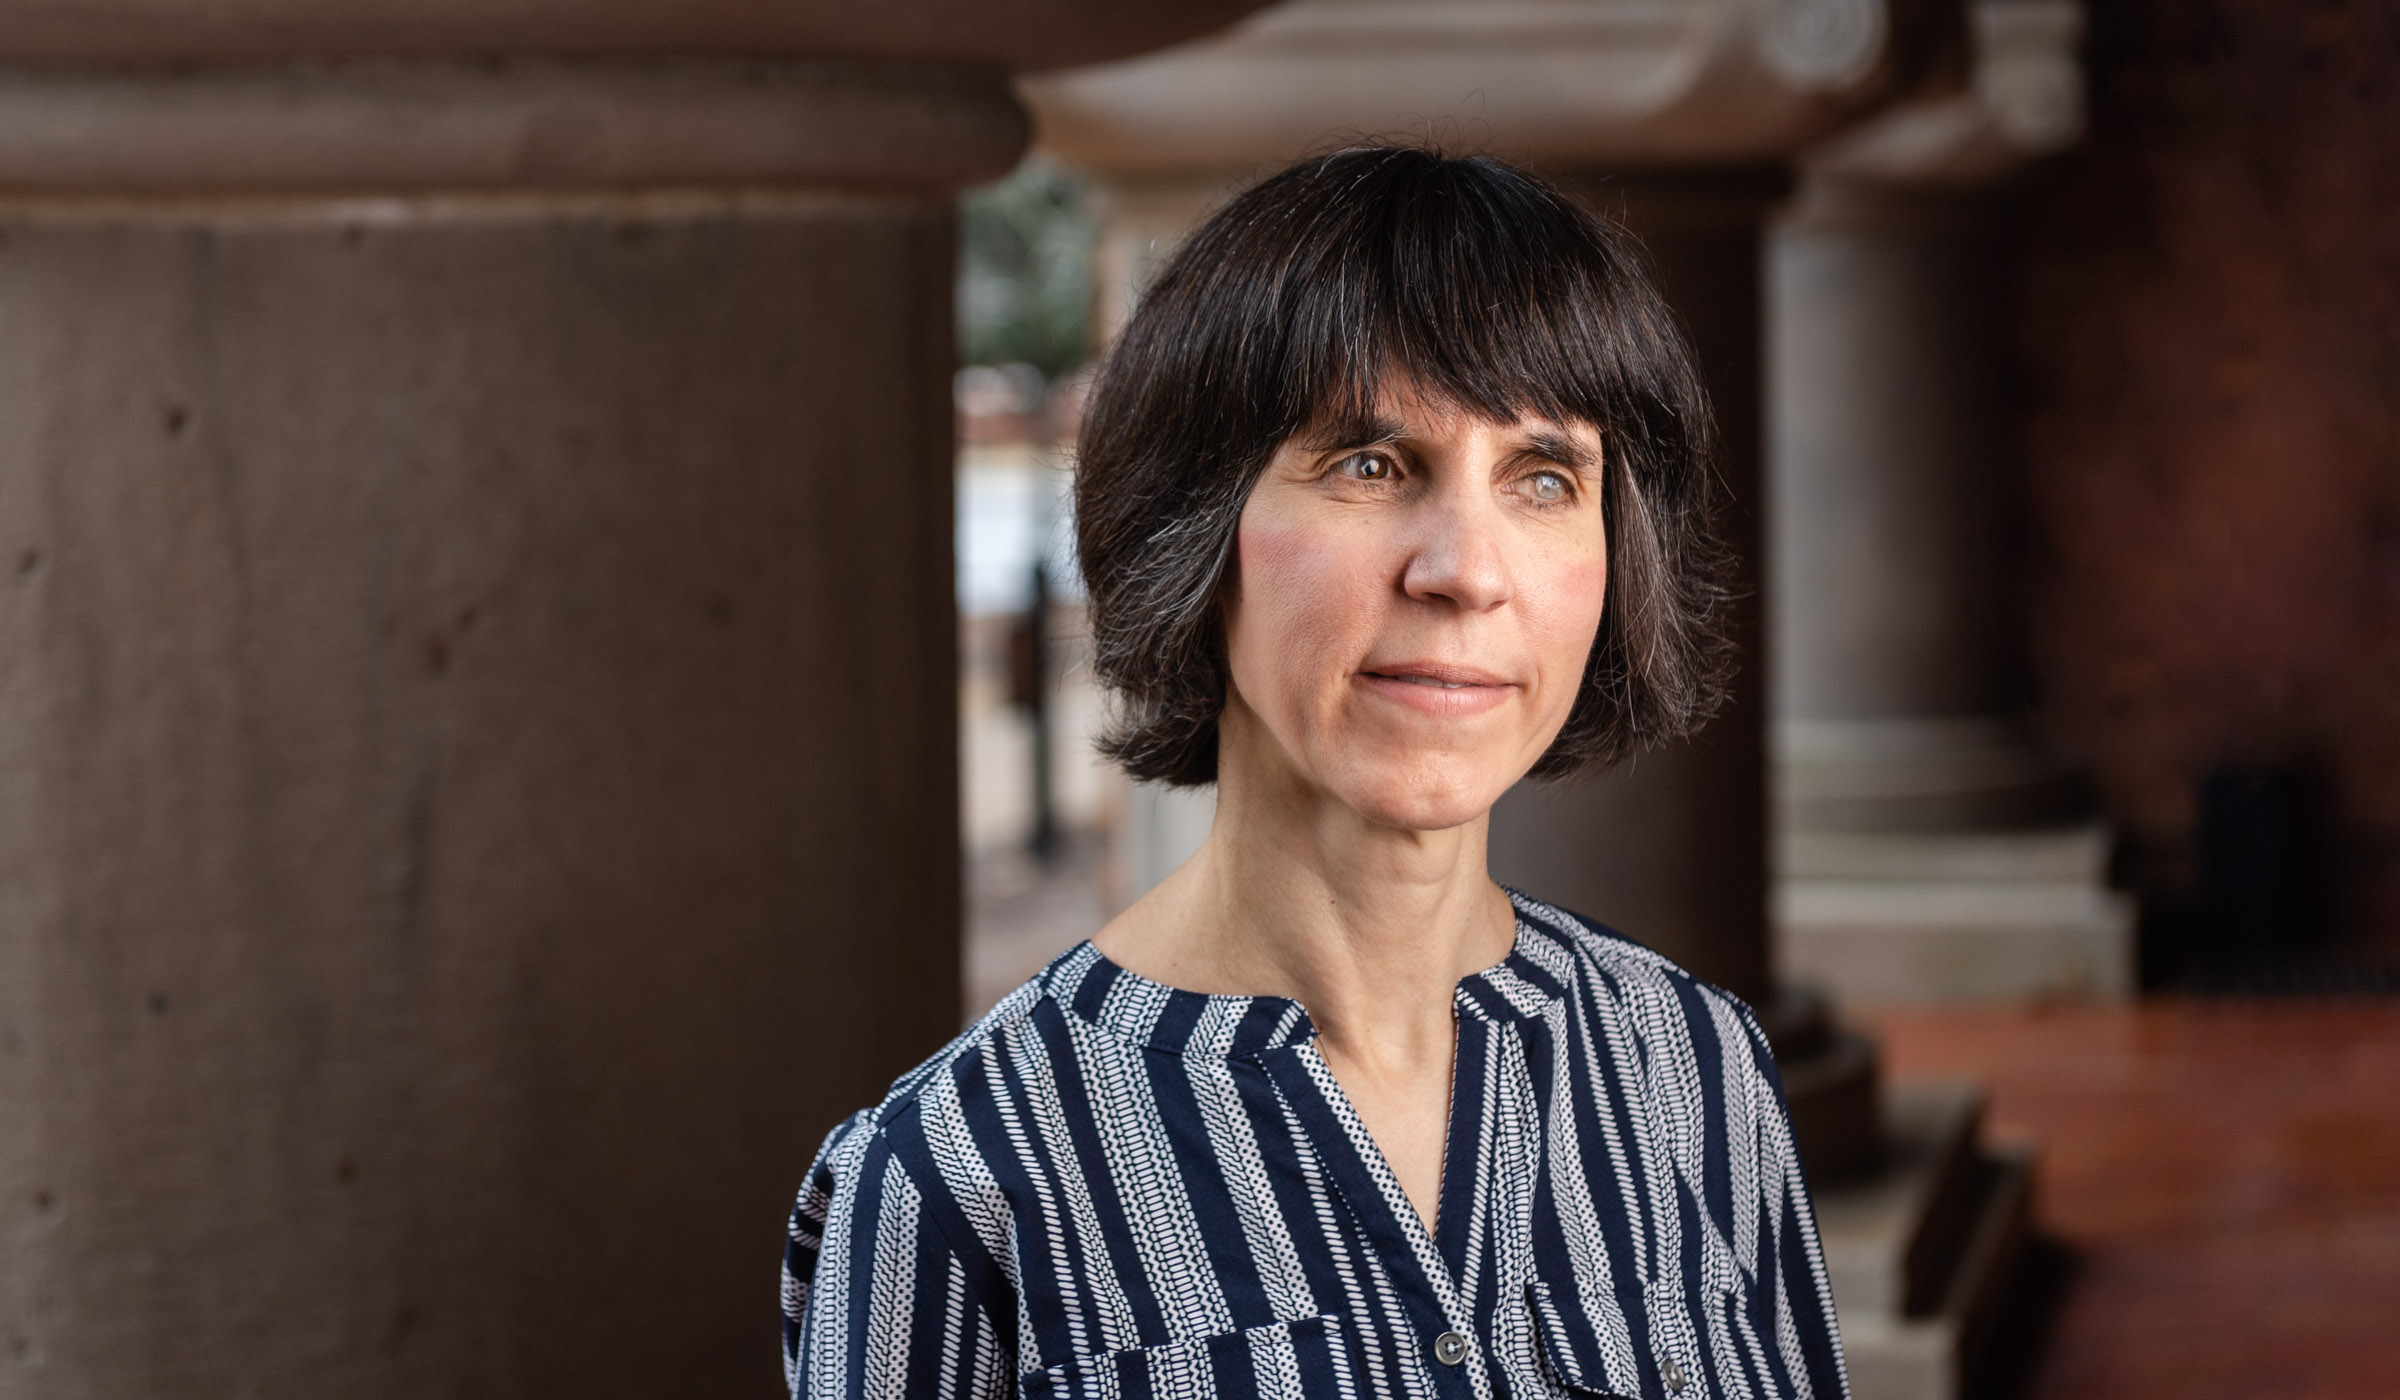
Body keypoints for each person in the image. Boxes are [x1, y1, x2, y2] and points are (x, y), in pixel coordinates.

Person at [783, 145, 1850, 1400]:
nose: (1465, 567)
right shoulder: (955, 1181)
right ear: (1195, 527)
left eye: (1544, 477)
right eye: (1371, 464)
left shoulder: (1695, 1068)